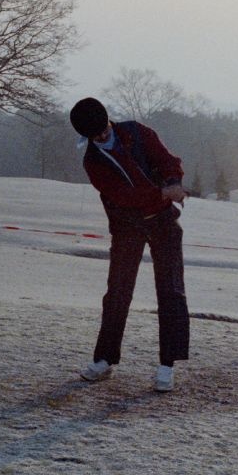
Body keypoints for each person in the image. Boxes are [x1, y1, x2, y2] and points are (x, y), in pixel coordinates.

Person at [69, 97, 189, 392]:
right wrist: (164, 193)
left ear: (108, 121)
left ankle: (167, 365)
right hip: (127, 227)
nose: (101, 138)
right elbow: (125, 197)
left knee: (171, 290)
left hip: (163, 223)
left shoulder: (136, 132)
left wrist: (174, 180)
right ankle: (104, 360)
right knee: (118, 292)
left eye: (103, 131)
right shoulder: (92, 162)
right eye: (94, 136)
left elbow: (167, 161)